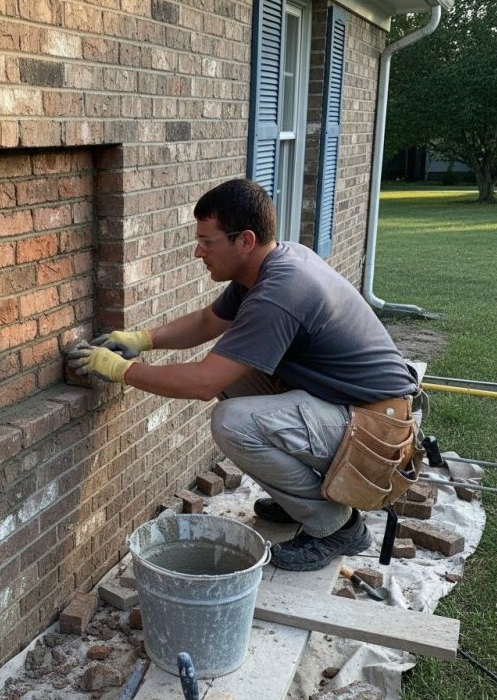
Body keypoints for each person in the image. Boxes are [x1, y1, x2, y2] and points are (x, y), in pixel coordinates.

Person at [67, 178, 419, 571]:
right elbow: (207, 320)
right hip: (352, 409)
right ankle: (301, 499)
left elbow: (203, 384)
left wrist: (121, 370)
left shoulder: (280, 292)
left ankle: (338, 527)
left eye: (208, 241)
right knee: (235, 379)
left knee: (233, 422)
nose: (198, 251)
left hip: (376, 434)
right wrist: (141, 339)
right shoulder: (272, 264)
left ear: (245, 240)